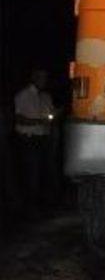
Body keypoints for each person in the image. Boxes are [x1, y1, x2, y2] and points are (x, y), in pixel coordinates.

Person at [14, 69, 57, 215]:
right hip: (29, 139)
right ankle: (29, 208)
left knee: (44, 172)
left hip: (44, 139)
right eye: (42, 77)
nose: (45, 80)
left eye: (45, 77)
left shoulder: (45, 96)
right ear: (34, 78)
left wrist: (54, 116)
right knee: (31, 174)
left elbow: (50, 115)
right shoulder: (23, 95)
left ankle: (43, 205)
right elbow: (19, 118)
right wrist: (39, 121)